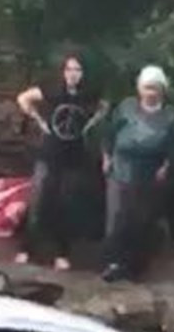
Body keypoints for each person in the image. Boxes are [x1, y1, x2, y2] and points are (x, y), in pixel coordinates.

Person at [14, 56, 108, 271]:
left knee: (66, 205)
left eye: (77, 69)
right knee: (38, 202)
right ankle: (26, 249)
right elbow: (23, 98)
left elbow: (104, 106)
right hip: (49, 154)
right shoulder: (52, 89)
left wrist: (89, 126)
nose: (73, 73)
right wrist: (38, 120)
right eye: (69, 69)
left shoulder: (88, 94)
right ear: (63, 72)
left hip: (73, 157)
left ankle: (61, 253)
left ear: (83, 73)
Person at [101, 65, 174, 283]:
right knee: (117, 218)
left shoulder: (170, 115)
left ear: (162, 90)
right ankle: (113, 264)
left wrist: (167, 166)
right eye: (147, 87)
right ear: (140, 89)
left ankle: (135, 267)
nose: (151, 92)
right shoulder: (126, 107)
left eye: (155, 88)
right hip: (121, 168)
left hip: (149, 172)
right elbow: (109, 133)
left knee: (141, 220)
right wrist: (106, 157)